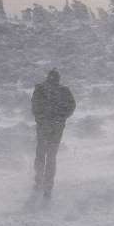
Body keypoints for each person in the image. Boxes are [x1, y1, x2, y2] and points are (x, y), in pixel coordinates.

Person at [31, 69, 76, 198]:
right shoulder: (63, 91)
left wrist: (41, 119)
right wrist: (61, 117)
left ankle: (41, 182)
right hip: (55, 128)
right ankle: (46, 184)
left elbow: (35, 107)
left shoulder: (41, 90)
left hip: (46, 127)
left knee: (42, 155)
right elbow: (71, 106)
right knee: (49, 157)